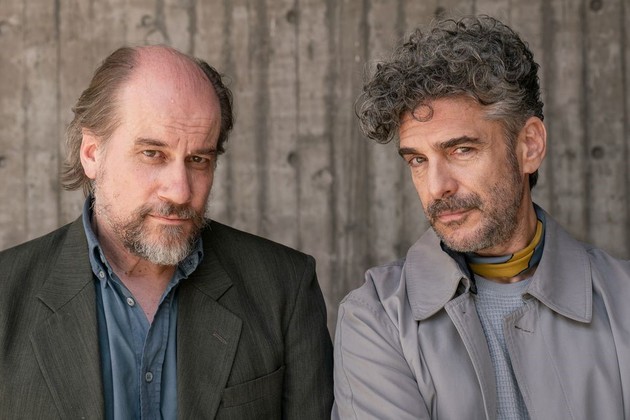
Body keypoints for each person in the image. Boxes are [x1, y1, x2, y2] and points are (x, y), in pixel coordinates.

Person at [0, 45, 333, 419]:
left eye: (198, 160)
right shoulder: (5, 294)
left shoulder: (284, 287)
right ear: (92, 153)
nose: (180, 191)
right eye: (152, 154)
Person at [332, 15, 630, 420]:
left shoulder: (623, 299)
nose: (437, 187)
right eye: (418, 160)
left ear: (529, 146)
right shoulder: (377, 318)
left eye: (461, 150)